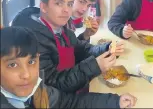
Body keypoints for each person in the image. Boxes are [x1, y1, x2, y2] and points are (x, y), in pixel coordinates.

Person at [11, 0, 125, 93]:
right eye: (59, 3)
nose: (66, 10)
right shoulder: (32, 41)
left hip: (75, 83)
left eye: (69, 4)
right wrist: (94, 66)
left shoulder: (63, 28)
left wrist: (106, 48)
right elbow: (52, 84)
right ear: (44, 6)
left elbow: (79, 48)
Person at [0, 26, 137, 108]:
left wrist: (114, 102)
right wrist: (94, 66)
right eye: (12, 65)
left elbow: (69, 103)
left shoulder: (38, 90)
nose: (26, 75)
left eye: (31, 62)